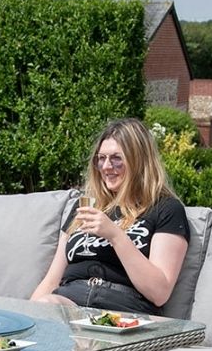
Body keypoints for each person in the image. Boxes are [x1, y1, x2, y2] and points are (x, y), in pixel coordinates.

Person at [31, 117, 189, 314]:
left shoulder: (166, 209)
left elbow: (159, 292)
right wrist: (26, 315)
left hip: (124, 308)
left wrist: (115, 235)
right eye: (101, 158)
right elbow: (52, 280)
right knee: (46, 307)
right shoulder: (87, 205)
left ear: (138, 161)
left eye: (116, 158)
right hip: (70, 301)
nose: (106, 166)